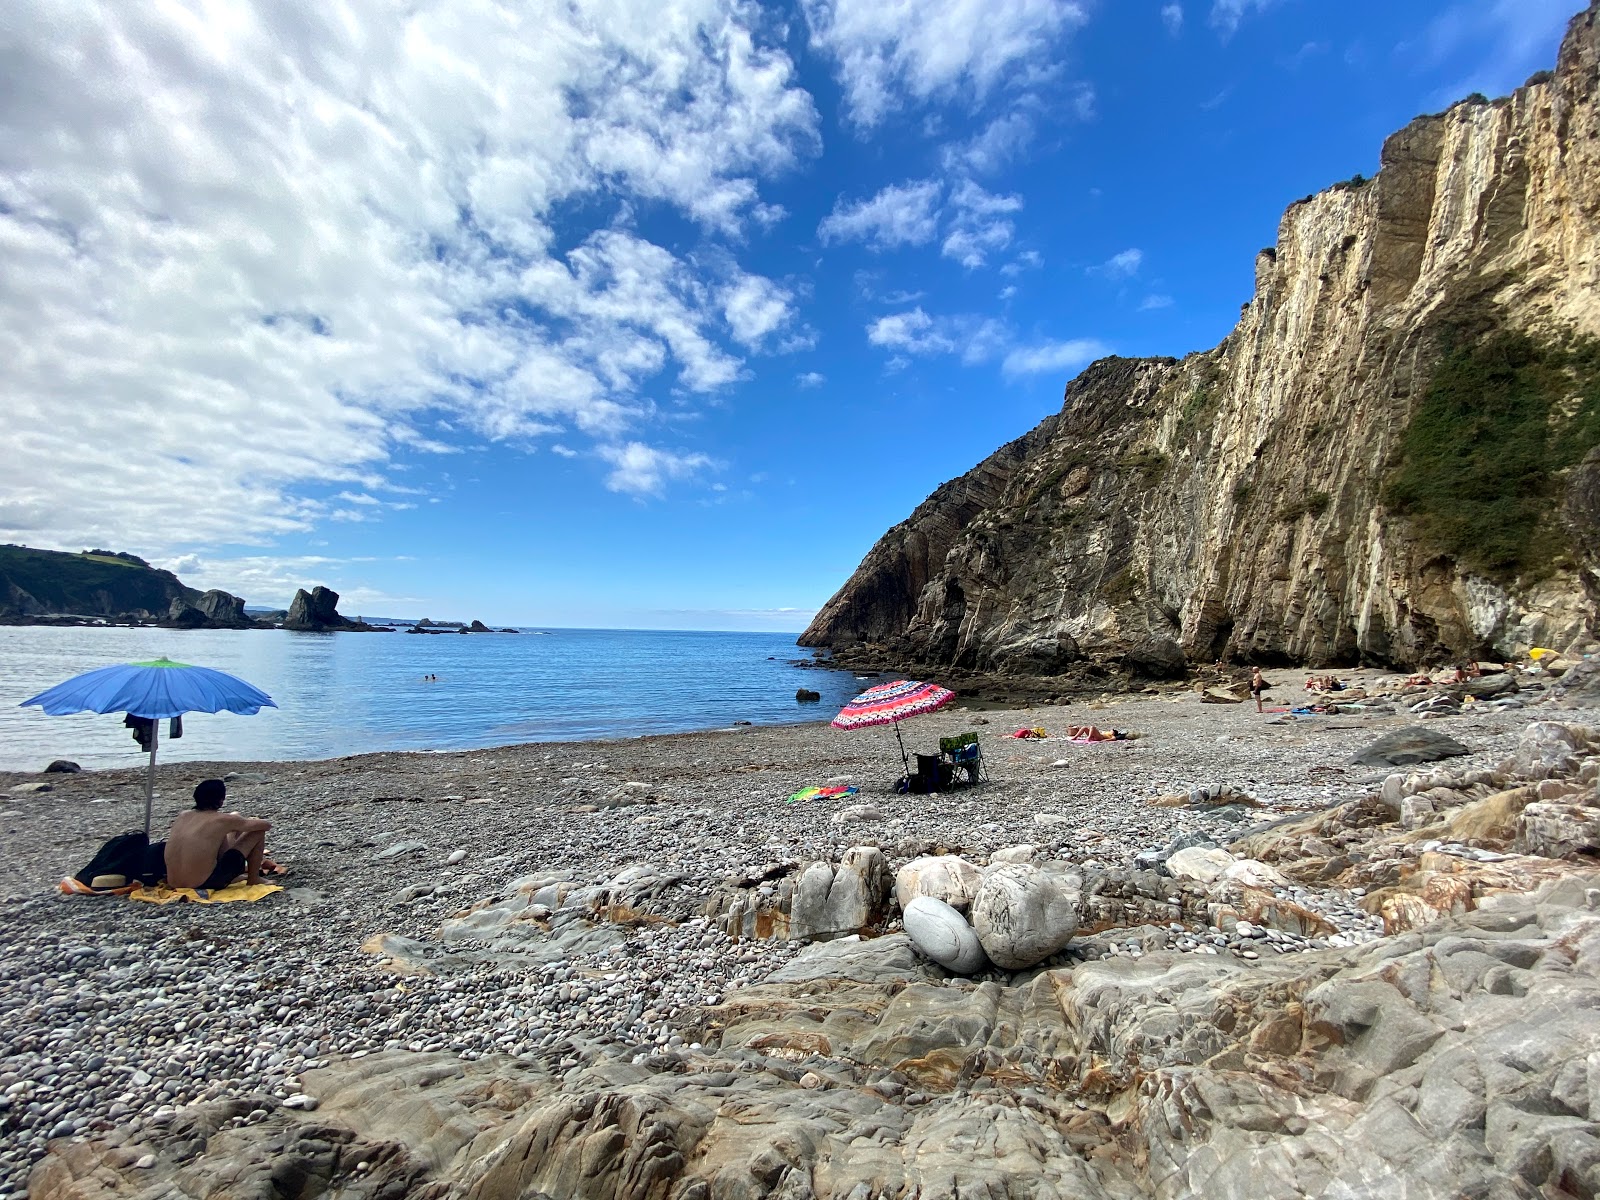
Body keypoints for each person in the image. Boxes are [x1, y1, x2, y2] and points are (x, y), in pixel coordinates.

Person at [158, 779, 273, 889]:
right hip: (205, 883)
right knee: (257, 832)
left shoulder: (183, 815)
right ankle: (254, 879)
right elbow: (266, 825)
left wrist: (234, 823)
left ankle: (234, 877)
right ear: (221, 800)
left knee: (221, 833)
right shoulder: (221, 820)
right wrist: (242, 820)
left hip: (174, 882)